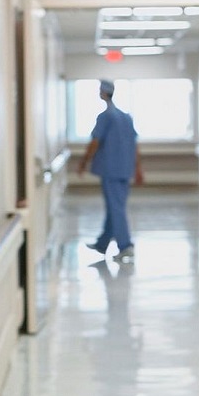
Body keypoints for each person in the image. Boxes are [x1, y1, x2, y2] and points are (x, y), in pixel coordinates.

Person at [77, 80, 143, 262]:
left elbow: (95, 142)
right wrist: (137, 168)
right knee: (115, 206)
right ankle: (102, 243)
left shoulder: (105, 117)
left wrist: (83, 162)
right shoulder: (126, 117)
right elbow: (135, 145)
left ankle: (125, 245)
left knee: (116, 208)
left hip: (111, 169)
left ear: (104, 93)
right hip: (124, 169)